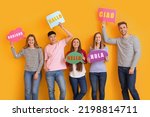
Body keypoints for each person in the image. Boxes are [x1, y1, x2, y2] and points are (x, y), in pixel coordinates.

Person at [102, 21, 141, 100]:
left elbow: (138, 53)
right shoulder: (118, 40)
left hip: (130, 68)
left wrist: (132, 67)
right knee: (123, 89)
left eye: (124, 27)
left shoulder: (134, 38)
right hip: (120, 68)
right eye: (120, 28)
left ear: (127, 28)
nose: (122, 29)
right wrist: (103, 26)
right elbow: (106, 39)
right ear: (119, 30)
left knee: (131, 88)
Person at [44, 23, 73, 100]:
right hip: (49, 71)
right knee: (51, 91)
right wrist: (45, 67)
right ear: (49, 38)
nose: (52, 38)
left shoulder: (61, 43)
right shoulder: (47, 47)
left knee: (63, 90)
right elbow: (45, 59)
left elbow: (71, 36)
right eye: (50, 37)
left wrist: (62, 27)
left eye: (54, 36)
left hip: (59, 71)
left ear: (56, 37)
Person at [10, 34, 43, 100]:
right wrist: (12, 47)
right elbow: (16, 56)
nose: (31, 41)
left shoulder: (39, 49)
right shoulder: (25, 50)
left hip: (36, 72)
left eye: (32, 40)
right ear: (27, 41)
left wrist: (37, 73)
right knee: (27, 91)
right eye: (29, 40)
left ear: (34, 41)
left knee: (34, 91)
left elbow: (41, 61)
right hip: (27, 72)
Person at [88, 32, 108, 100]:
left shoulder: (105, 48)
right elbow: (90, 61)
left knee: (101, 91)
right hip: (93, 72)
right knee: (94, 91)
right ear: (94, 39)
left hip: (102, 72)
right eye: (96, 37)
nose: (98, 38)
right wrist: (88, 59)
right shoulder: (91, 48)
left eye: (99, 37)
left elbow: (106, 60)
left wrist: (106, 58)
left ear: (101, 38)